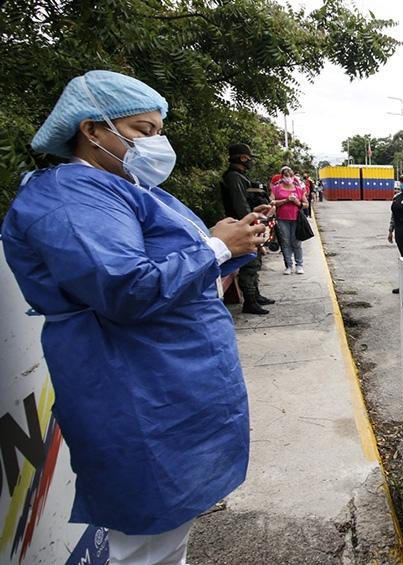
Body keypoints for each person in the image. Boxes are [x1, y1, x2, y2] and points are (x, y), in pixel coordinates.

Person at [2, 70, 265, 565]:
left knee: (167, 532)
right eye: (144, 130)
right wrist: (213, 246)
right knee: (139, 536)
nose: (157, 142)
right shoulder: (72, 193)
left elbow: (176, 268)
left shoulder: (132, 189)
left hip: (174, 379)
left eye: (159, 130)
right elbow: (123, 287)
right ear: (92, 130)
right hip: (135, 383)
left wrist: (231, 246)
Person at [221, 142, 273, 314]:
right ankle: (249, 302)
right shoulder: (234, 177)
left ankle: (255, 295)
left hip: (247, 224)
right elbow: (241, 206)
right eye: (250, 159)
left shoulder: (239, 176)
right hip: (242, 226)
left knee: (255, 262)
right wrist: (251, 222)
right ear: (243, 158)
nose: (251, 162)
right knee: (249, 264)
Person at [270, 166, 307, 275]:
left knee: (296, 242)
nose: (288, 178)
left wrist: (297, 202)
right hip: (282, 218)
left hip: (296, 218)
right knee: (285, 242)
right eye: (286, 176)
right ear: (282, 176)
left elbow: (305, 204)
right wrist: (286, 200)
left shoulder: (298, 189)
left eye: (290, 176)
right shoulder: (276, 188)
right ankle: (288, 265)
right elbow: (272, 202)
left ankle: (299, 265)